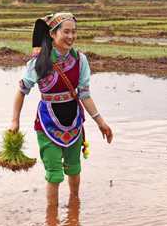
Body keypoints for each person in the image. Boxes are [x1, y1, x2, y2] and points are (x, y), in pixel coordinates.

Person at [9, 12, 113, 209]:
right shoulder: (39, 62)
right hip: (47, 122)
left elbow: (85, 95)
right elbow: (22, 91)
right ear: (53, 34)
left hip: (74, 122)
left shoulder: (80, 60)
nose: (71, 36)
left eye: (74, 32)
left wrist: (101, 123)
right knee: (54, 174)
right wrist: (15, 121)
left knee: (74, 169)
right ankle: (52, 218)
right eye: (66, 32)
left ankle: (74, 208)